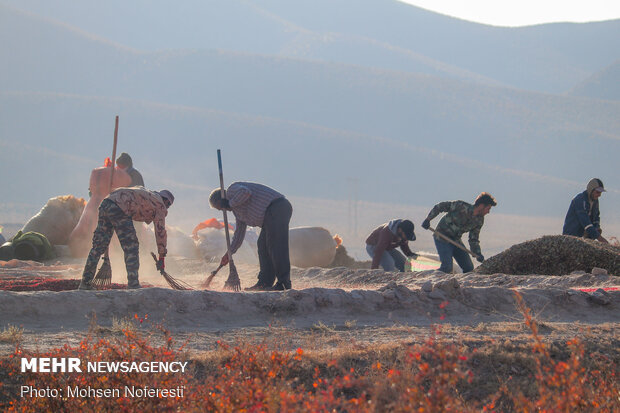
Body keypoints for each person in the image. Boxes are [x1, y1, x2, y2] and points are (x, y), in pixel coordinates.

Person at [78, 187, 174, 289]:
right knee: (131, 247)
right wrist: (162, 257)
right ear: (166, 201)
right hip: (120, 208)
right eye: (168, 205)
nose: (167, 208)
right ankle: (133, 284)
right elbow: (160, 232)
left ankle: (85, 283)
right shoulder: (160, 205)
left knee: (98, 247)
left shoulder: (147, 193)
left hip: (106, 203)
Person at [209, 182, 293, 291]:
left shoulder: (232, 190)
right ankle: (264, 282)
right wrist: (229, 253)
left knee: (275, 245)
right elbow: (239, 235)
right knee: (262, 247)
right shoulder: (238, 213)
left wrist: (229, 203)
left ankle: (284, 283)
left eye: (220, 208)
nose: (222, 210)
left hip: (277, 207)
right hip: (268, 218)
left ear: (220, 200)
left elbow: (245, 192)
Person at [422, 192, 497, 274]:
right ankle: (429, 278)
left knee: (469, 268)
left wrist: (477, 253)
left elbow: (473, 238)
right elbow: (440, 207)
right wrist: (428, 219)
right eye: (488, 208)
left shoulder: (479, 220)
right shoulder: (460, 206)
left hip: (456, 241)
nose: (488, 212)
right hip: (442, 237)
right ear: (482, 206)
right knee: (447, 267)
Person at [562, 178, 608, 243]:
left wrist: (597, 227)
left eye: (600, 192)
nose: (599, 195)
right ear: (591, 190)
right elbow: (585, 222)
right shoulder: (580, 199)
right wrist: (599, 238)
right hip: (571, 235)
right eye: (597, 192)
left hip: (583, 238)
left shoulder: (595, 201)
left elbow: (596, 217)